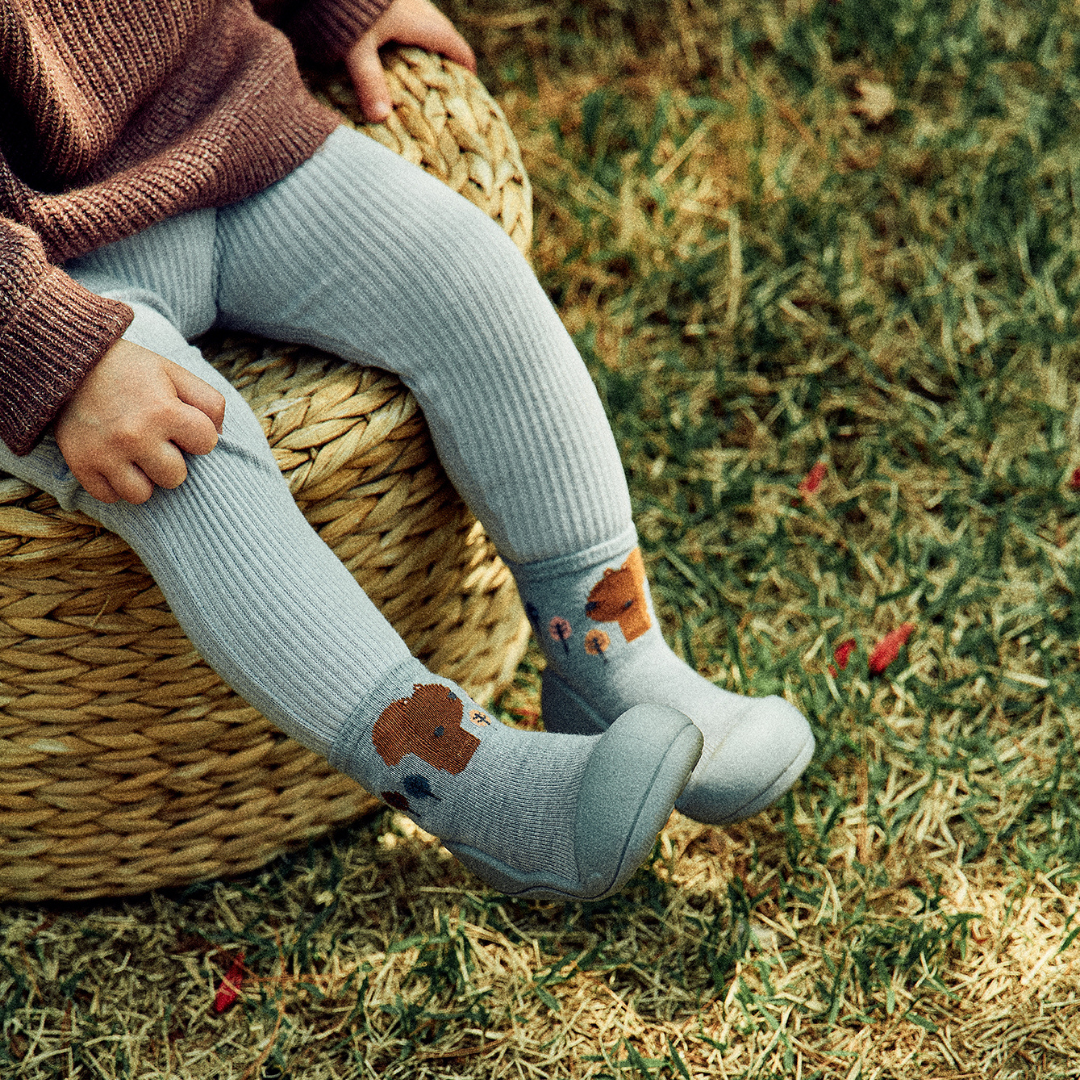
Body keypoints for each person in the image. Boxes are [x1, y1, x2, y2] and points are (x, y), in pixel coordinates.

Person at [0, 0, 814, 901]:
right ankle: (471, 784)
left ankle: (613, 656)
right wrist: (33, 338)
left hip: (217, 123)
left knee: (465, 274)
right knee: (187, 460)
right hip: (39, 266)